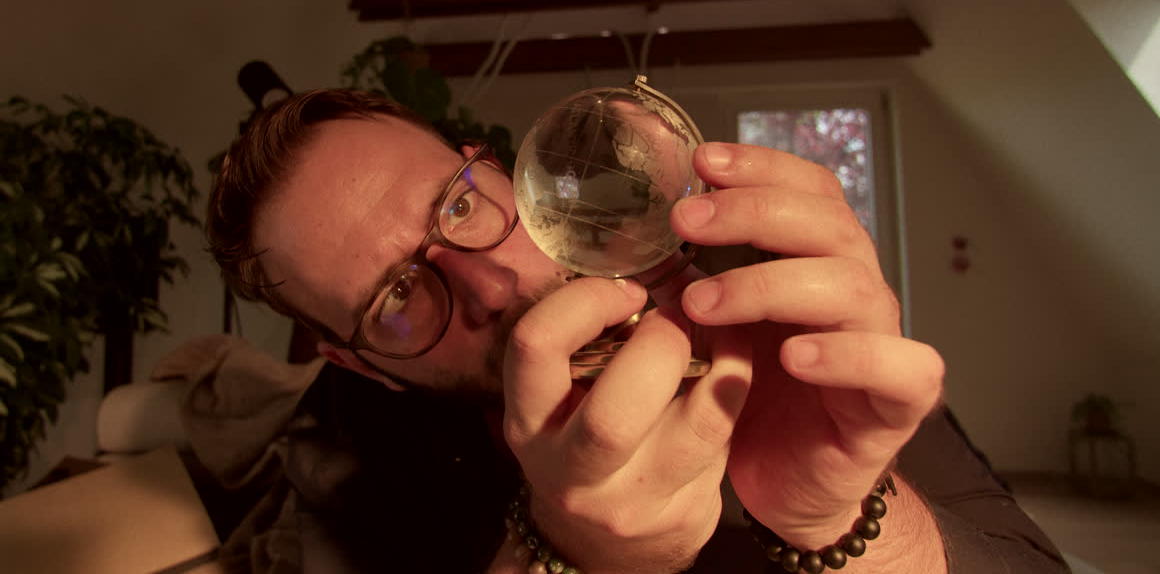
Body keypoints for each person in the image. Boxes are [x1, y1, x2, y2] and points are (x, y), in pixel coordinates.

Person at [201, 87, 1069, 574]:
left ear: (500, 170)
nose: (488, 283)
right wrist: (563, 550)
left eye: (460, 204)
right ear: (360, 364)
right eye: (397, 296)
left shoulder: (756, 300)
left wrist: (841, 516)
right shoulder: (352, 453)